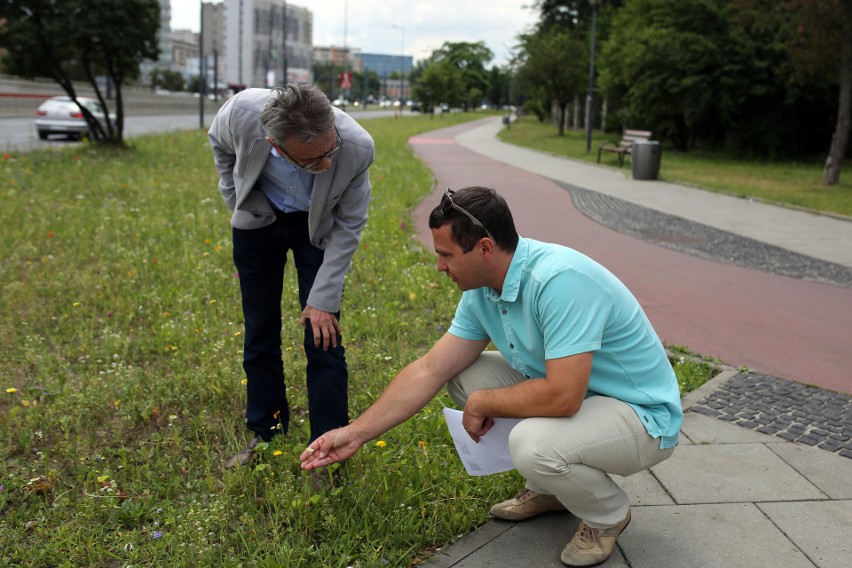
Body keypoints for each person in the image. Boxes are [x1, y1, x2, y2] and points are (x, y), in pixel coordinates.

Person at [300, 186, 682, 566]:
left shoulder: (559, 281)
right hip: (586, 400)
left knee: (533, 445)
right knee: (467, 377)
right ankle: (550, 489)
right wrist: (355, 433)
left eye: (446, 255)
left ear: (485, 248)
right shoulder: (483, 290)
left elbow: (564, 397)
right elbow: (430, 369)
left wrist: (485, 403)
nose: (440, 267)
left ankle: (606, 515)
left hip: (642, 416)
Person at [208, 83, 374, 467]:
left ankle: (327, 445)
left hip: (317, 229)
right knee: (260, 329)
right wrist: (240, 203)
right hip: (258, 221)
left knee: (324, 335)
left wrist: (323, 299)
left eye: (330, 150)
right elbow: (219, 145)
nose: (328, 163)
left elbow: (349, 227)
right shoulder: (240, 113)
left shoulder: (357, 147)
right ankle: (266, 433)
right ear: (274, 145)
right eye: (313, 160)